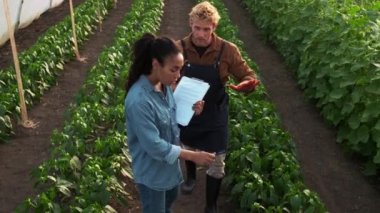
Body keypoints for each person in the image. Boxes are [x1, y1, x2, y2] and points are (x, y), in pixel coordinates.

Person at [177, 1, 260, 212]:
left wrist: (248, 84)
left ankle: (211, 204)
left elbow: (247, 74)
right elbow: (167, 78)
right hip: (188, 109)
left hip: (214, 113)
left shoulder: (227, 50)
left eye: (207, 29)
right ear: (190, 24)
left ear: (214, 26)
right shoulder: (179, 48)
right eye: (197, 28)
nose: (201, 34)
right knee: (187, 145)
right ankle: (191, 177)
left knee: (216, 160)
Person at [124, 33, 216, 213]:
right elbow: (154, 145)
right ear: (155, 64)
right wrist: (193, 156)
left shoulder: (164, 85)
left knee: (168, 206)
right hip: (153, 176)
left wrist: (192, 110)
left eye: (180, 69)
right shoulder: (139, 100)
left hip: (169, 171)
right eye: (174, 69)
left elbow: (169, 117)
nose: (178, 75)